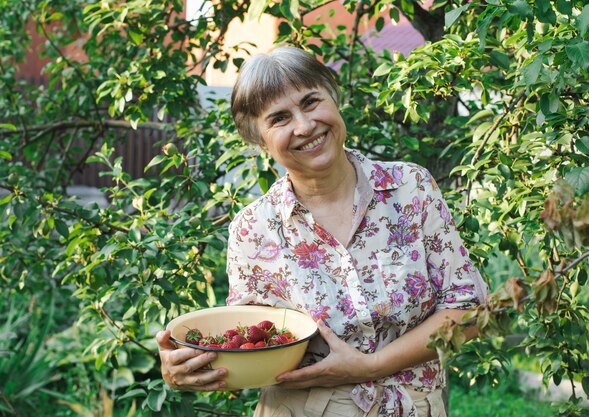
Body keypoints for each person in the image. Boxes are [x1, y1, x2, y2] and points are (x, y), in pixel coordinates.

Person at [156, 45, 488, 417]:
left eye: (311, 102)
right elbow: (252, 346)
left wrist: (372, 366)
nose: (304, 126)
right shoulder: (254, 229)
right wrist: (185, 369)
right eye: (279, 118)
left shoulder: (410, 188)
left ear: (334, 98)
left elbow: (468, 309)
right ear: (259, 139)